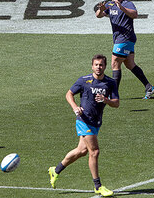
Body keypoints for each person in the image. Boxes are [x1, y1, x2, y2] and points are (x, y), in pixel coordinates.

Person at [48, 54, 119, 197]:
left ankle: (55, 170)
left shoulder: (110, 83)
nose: (99, 67)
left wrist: (106, 100)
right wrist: (75, 107)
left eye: (101, 65)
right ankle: (98, 186)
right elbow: (69, 94)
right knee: (94, 151)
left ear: (105, 66)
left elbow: (116, 103)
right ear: (92, 66)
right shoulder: (84, 81)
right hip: (83, 120)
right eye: (96, 65)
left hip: (96, 121)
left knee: (82, 151)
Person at [96, 0, 154, 99]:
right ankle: (149, 87)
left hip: (125, 38)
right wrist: (101, 9)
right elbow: (98, 15)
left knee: (115, 63)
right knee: (129, 64)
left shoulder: (127, 4)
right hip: (120, 39)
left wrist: (121, 8)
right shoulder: (109, 4)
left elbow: (135, 14)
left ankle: (113, 95)